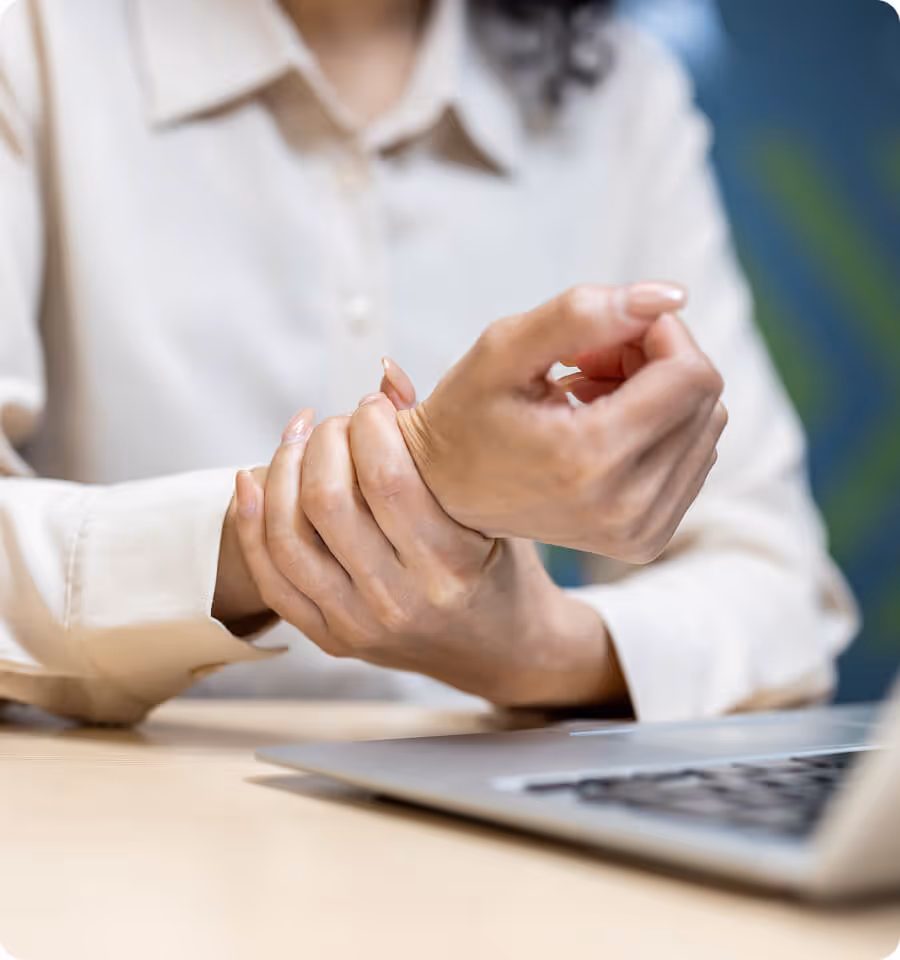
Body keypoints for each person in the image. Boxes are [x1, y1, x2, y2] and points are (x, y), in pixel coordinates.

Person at [0, 0, 856, 725]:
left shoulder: (623, 98)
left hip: (490, 844)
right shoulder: (34, 32)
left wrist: (536, 650)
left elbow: (779, 591)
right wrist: (427, 487)